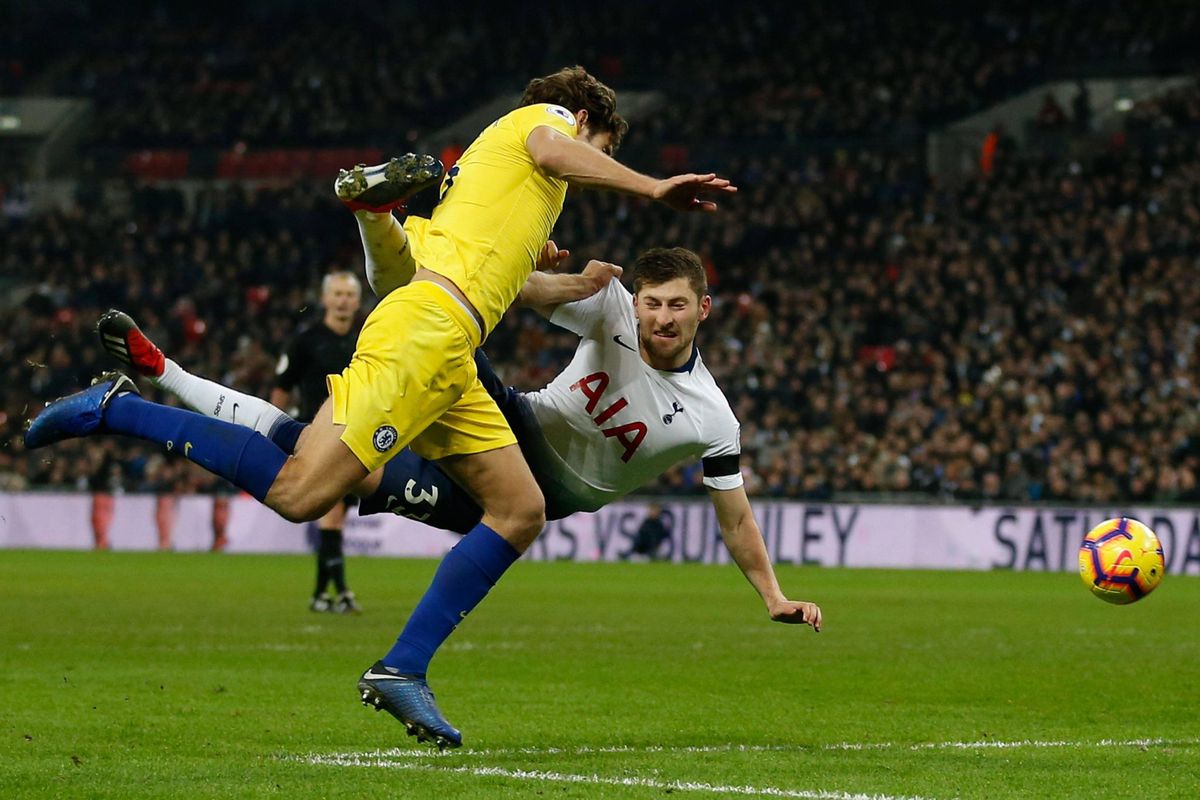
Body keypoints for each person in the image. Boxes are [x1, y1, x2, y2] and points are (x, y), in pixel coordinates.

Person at [25, 66, 736, 749]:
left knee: (520, 510)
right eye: (604, 151)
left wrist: (570, 281)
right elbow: (556, 149)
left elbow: (506, 285)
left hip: (449, 342)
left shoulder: (505, 192)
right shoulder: (548, 127)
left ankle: (402, 667)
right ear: (586, 121)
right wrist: (650, 187)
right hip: (427, 334)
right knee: (302, 491)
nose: (596, 166)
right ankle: (117, 408)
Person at [267, 271, 364, 614]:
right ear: (324, 299)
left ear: (357, 300)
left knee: (335, 516)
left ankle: (327, 593)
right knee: (333, 513)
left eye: (349, 294)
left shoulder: (367, 338)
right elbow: (281, 386)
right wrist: (275, 431)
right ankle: (336, 592)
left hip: (359, 437)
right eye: (336, 293)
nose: (342, 300)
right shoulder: (305, 341)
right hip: (318, 436)